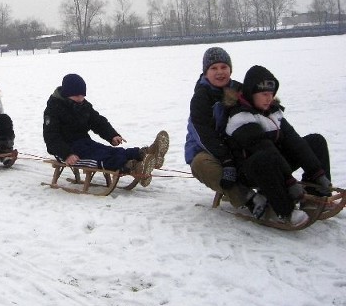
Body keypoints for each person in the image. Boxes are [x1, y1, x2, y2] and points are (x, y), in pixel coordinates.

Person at [224, 65, 332, 225]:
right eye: (264, 94)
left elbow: (294, 141)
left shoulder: (273, 111)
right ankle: (285, 210)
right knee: (264, 157)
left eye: (271, 94)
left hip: (275, 163)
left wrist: (318, 172)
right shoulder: (240, 117)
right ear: (251, 94)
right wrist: (290, 181)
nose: (269, 98)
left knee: (315, 141)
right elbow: (263, 147)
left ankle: (315, 195)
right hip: (251, 172)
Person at [43, 73, 169, 186]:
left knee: (107, 150)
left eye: (83, 95)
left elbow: (98, 122)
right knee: (101, 157)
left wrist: (112, 135)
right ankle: (133, 167)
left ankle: (144, 153)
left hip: (84, 142)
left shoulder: (83, 105)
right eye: (77, 96)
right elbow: (51, 137)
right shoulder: (53, 109)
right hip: (67, 150)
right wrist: (67, 154)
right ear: (67, 94)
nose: (81, 99)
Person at [184, 47, 262, 210]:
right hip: (207, 150)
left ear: (230, 69)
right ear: (206, 72)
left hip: (236, 147)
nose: (220, 72)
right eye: (214, 68)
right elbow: (204, 135)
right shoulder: (201, 97)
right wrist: (226, 160)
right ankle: (247, 198)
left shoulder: (239, 90)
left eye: (223, 67)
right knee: (201, 163)